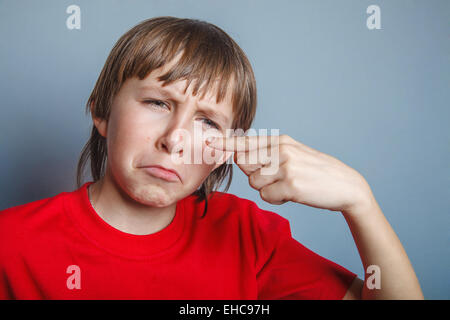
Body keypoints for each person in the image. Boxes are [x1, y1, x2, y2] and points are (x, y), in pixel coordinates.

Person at [0, 16, 423, 300]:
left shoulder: (248, 236)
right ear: (101, 112)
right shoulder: (11, 244)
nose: (176, 140)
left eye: (208, 123)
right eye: (157, 103)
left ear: (227, 148)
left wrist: (359, 201)